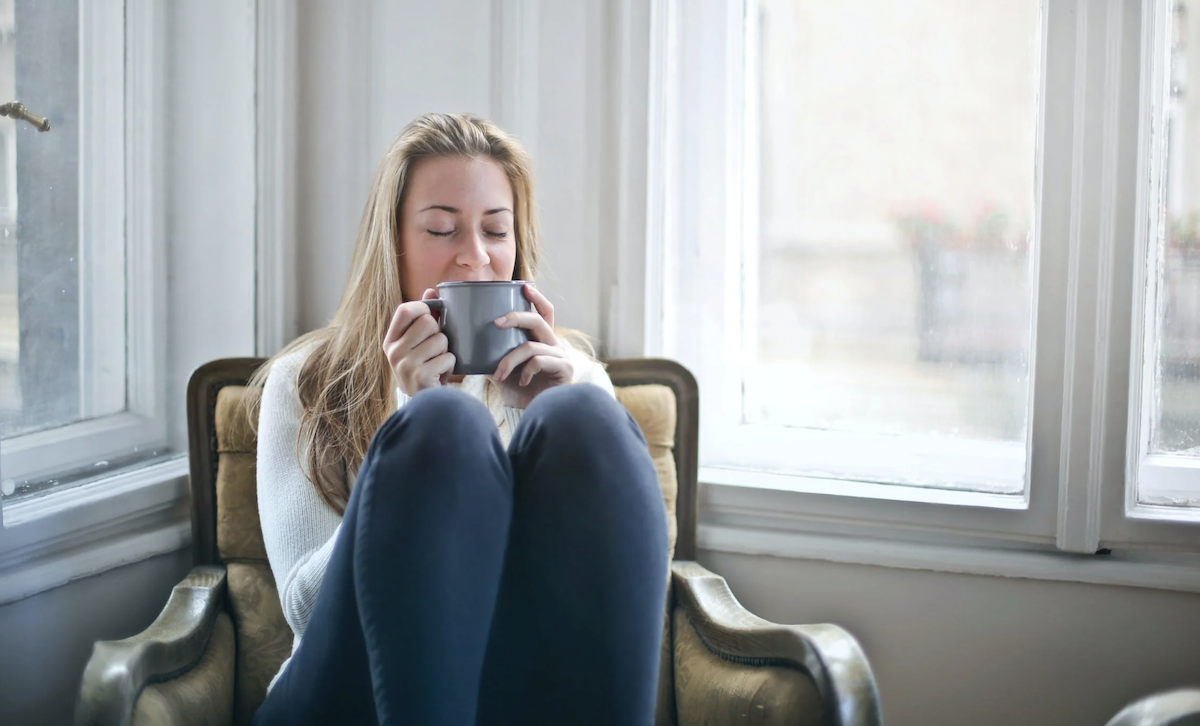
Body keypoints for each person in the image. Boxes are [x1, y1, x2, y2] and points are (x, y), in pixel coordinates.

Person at [245, 112, 669, 726]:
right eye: (442, 230)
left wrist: (541, 411)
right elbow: (307, 614)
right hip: (344, 693)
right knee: (444, 425)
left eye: (496, 231)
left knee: (581, 411)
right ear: (392, 242)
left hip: (516, 695)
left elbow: (620, 602)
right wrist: (410, 415)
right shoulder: (306, 381)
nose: (475, 259)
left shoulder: (572, 377)